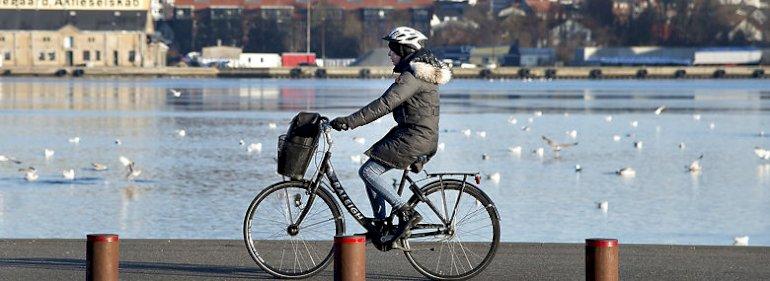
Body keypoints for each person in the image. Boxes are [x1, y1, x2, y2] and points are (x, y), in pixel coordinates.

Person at [330, 26, 452, 243]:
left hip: (415, 137)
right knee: (371, 168)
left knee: (369, 172)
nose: (389, 54)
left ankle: (407, 212)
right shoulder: (417, 73)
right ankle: (380, 226)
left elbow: (384, 104)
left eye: (393, 50)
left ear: (404, 50)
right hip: (415, 135)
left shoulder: (412, 76)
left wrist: (349, 122)